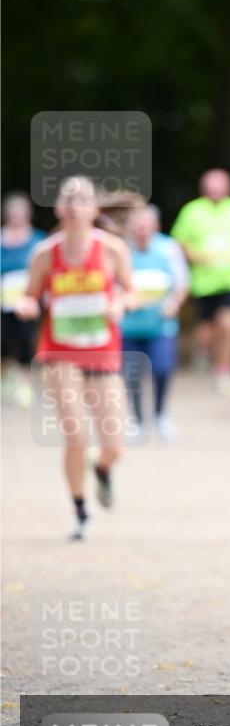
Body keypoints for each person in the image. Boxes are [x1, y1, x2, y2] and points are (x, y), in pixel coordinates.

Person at [14, 176, 134, 540]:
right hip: (59, 351)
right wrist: (25, 304)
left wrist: (119, 303)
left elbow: (131, 292)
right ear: (59, 209)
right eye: (68, 198)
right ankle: (80, 511)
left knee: (114, 446)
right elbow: (31, 295)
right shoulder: (45, 253)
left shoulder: (112, 250)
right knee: (76, 433)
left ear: (94, 209)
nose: (74, 205)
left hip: (102, 352)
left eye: (82, 199)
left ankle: (101, 471)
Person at [171, 169, 230, 396]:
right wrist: (196, 257)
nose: (216, 190)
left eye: (220, 186)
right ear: (204, 188)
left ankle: (225, 371)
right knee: (206, 333)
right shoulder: (192, 210)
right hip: (204, 283)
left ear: (228, 188)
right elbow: (178, 243)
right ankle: (205, 351)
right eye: (212, 186)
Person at [122, 204, 188, 440]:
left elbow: (181, 284)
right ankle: (137, 420)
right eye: (136, 226)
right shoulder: (121, 250)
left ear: (154, 226)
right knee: (131, 374)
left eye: (145, 225)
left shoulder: (168, 248)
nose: (140, 230)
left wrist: (173, 304)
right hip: (128, 326)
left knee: (162, 369)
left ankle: (161, 415)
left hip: (161, 325)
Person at [1, 191, 45, 406]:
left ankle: (25, 383)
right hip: (4, 302)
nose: (16, 216)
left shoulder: (37, 240)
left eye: (21, 212)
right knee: (3, 341)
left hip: (29, 299)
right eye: (13, 212)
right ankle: (5, 376)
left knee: (26, 341)